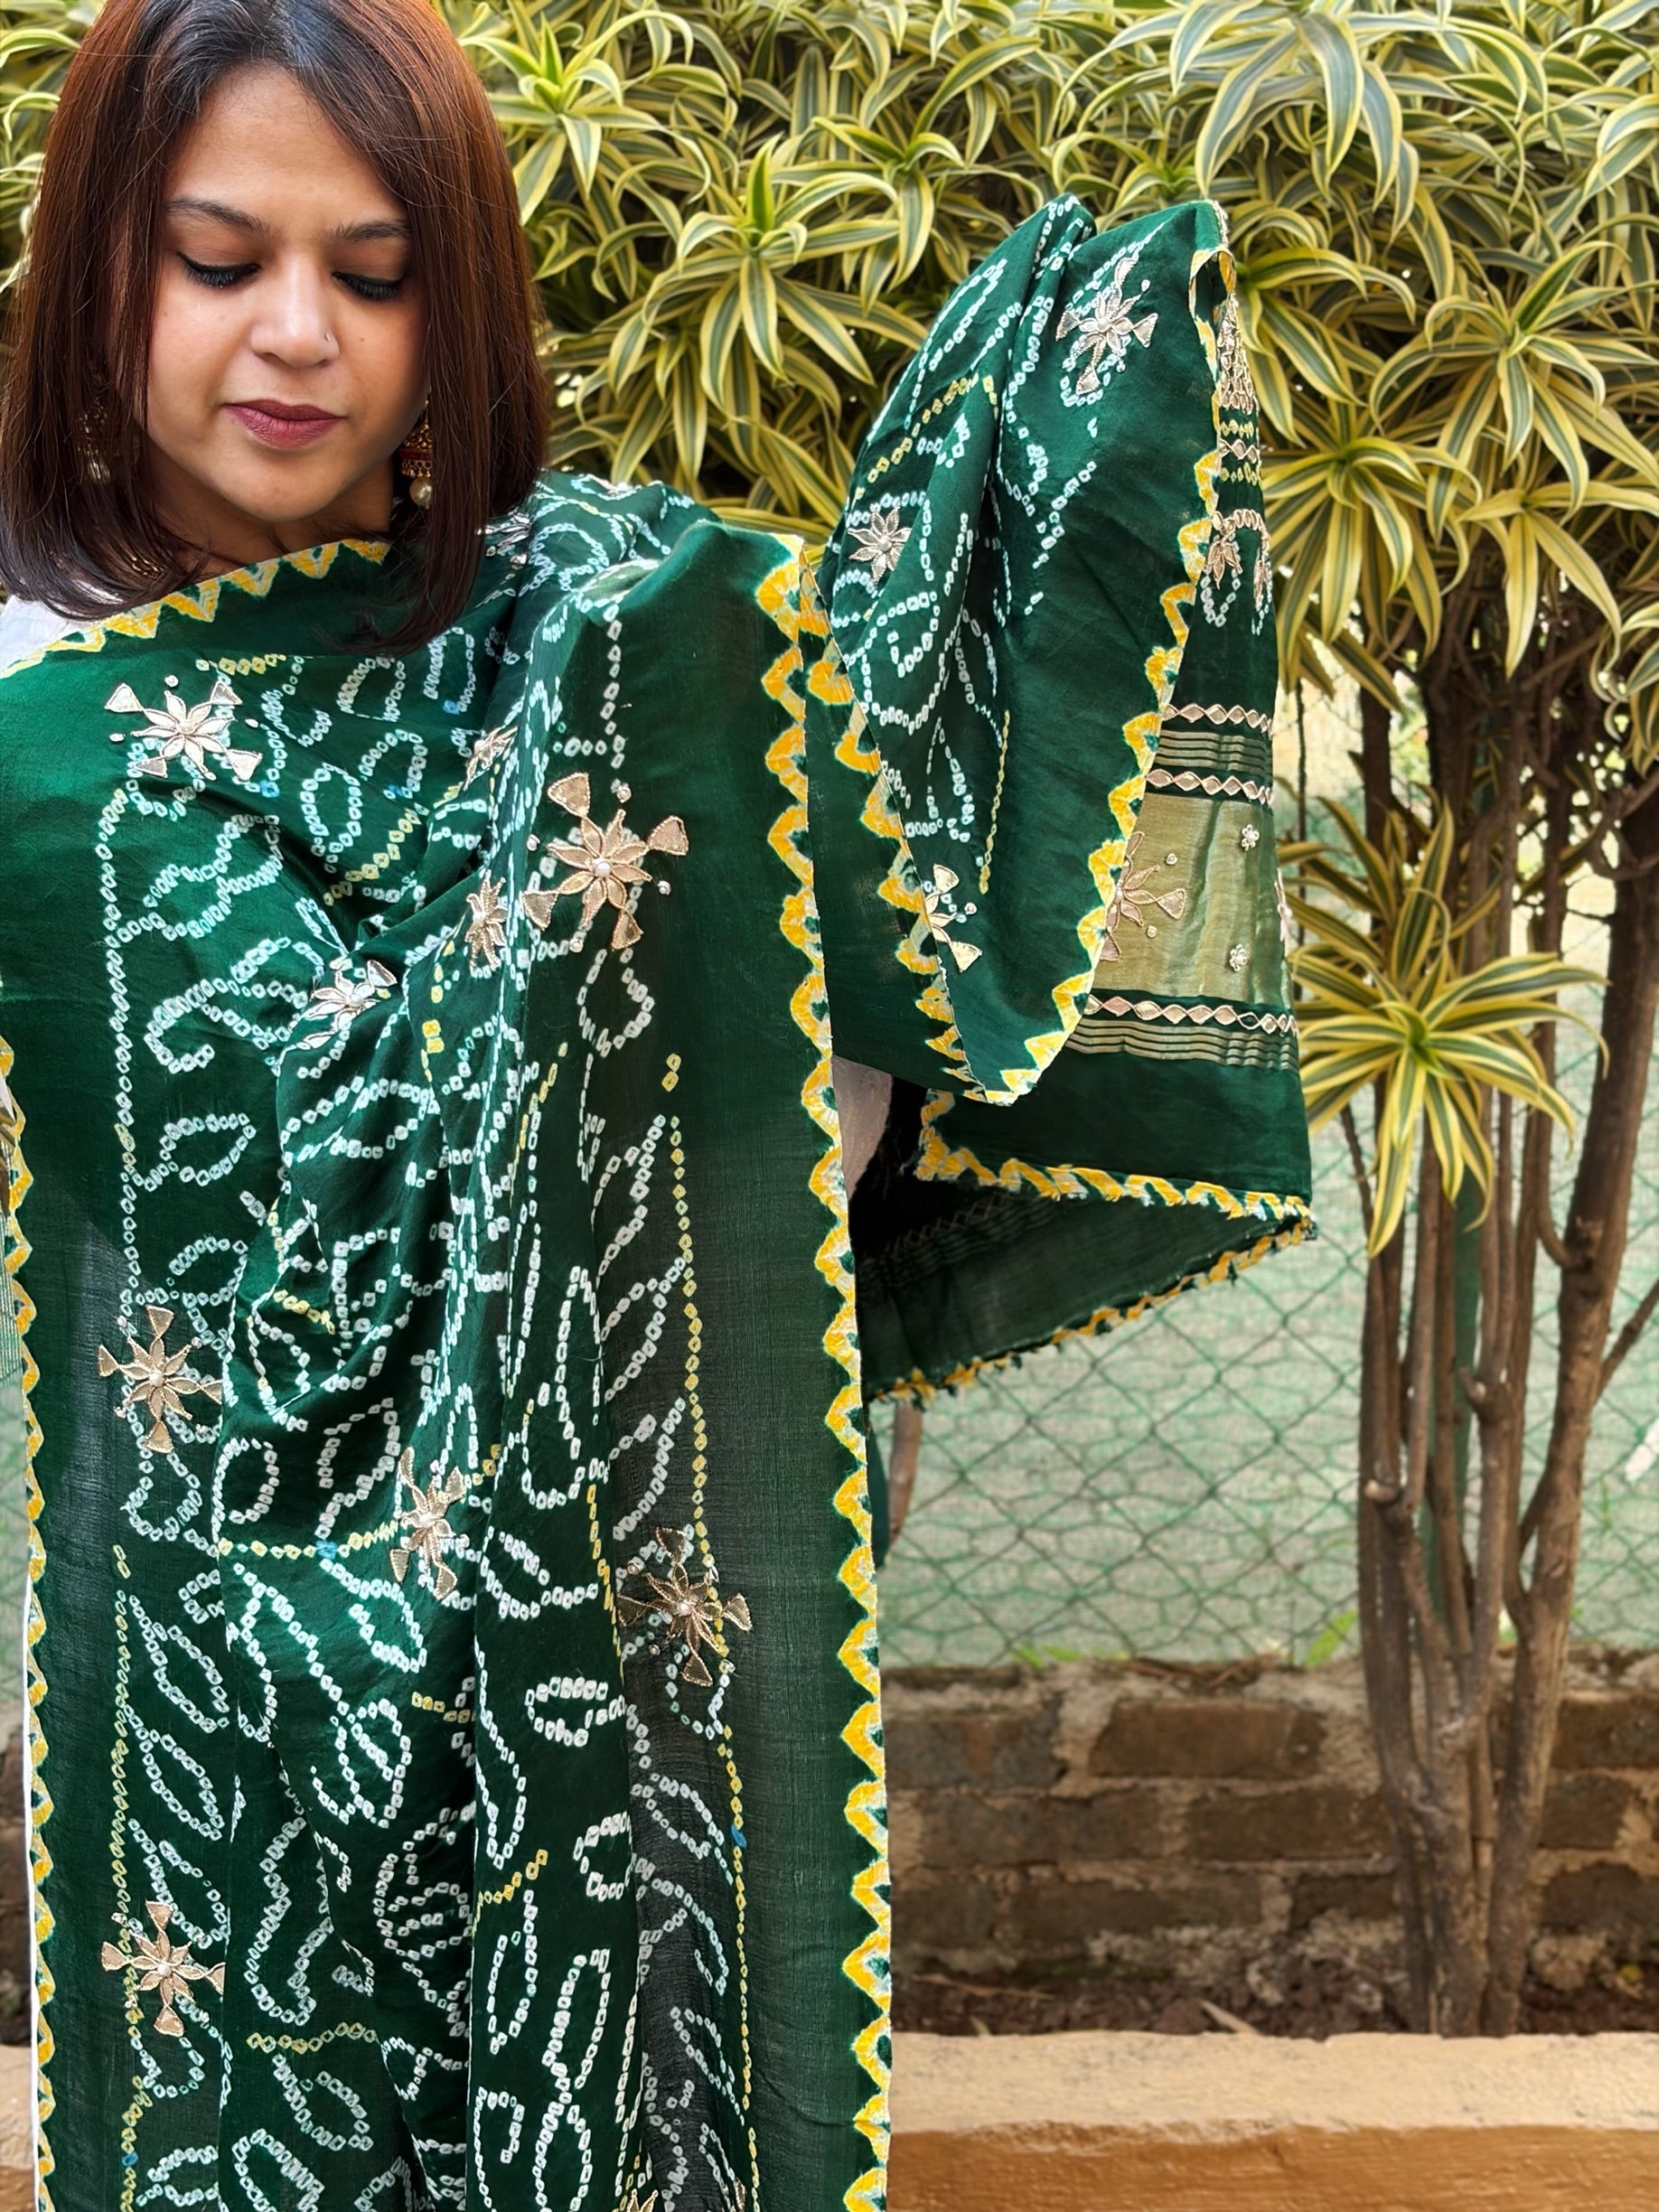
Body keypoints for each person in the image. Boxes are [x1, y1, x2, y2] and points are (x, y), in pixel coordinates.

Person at [0, 2, 1311, 2206]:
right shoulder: (33, 698)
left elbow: (828, 1093)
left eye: (379, 267)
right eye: (219, 259)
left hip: (596, 1678)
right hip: (204, 1694)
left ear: (463, 306)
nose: (297, 334)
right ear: (100, 266)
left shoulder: (618, 643)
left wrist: (685, 936)